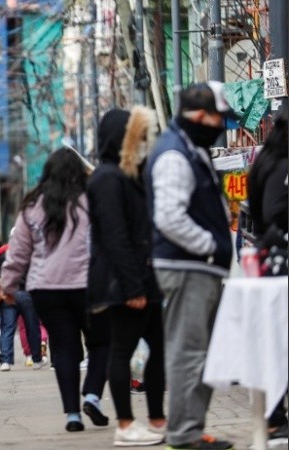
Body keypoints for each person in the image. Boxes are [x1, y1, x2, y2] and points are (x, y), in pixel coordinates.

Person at [144, 82, 238, 450]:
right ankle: (185, 434)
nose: (221, 126)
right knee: (189, 351)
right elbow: (169, 217)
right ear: (201, 116)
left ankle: (192, 429)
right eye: (219, 118)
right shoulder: (174, 154)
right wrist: (211, 247)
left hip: (197, 267)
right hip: (189, 267)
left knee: (200, 352)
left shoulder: (187, 148)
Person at [0, 148, 110, 432]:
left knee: (64, 349)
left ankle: (72, 415)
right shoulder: (91, 201)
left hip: (45, 289)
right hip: (87, 286)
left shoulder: (32, 206)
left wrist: (8, 286)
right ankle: (94, 395)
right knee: (101, 342)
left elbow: (18, 253)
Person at [87, 107, 166, 447]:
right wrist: (133, 285)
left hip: (144, 277)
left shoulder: (129, 175)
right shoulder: (106, 178)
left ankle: (157, 418)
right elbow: (116, 236)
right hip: (123, 281)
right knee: (122, 350)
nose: (146, 145)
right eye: (140, 138)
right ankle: (125, 423)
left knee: (160, 347)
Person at [246, 108, 288, 442]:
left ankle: (275, 417)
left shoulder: (265, 161)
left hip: (269, 264)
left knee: (276, 343)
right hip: (282, 261)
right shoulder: (282, 165)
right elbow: (276, 213)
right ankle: (275, 418)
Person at [0, 238, 47, 371]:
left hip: (8, 293)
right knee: (32, 327)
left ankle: (5, 361)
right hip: (27, 293)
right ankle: (36, 359)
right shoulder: (30, 251)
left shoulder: (1, 252)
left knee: (7, 327)